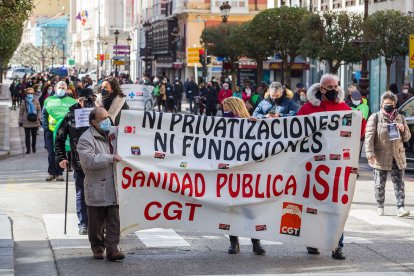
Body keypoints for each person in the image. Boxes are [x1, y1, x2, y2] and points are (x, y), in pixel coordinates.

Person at [297, 73, 360, 260]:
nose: (335, 90)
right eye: (330, 87)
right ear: (321, 88)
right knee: (311, 207)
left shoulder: (343, 107)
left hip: (335, 168)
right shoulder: (308, 108)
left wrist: (360, 120)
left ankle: (337, 246)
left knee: (336, 207)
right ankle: (312, 243)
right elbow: (293, 129)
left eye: (336, 86)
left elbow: (358, 128)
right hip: (312, 168)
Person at [77, 107, 125, 261]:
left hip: (114, 183)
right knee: (96, 222)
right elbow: (89, 161)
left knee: (113, 219)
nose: (107, 121)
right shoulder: (86, 138)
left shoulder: (114, 132)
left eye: (108, 117)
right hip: (96, 184)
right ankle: (97, 248)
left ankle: (112, 250)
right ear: (94, 122)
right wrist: (111, 157)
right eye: (103, 118)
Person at [221, 97, 266, 255]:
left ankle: (255, 241)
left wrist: (256, 122)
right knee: (233, 208)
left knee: (249, 208)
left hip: (247, 173)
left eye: (226, 108)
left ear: (233, 107)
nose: (224, 112)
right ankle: (235, 242)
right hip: (231, 172)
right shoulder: (224, 122)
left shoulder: (250, 122)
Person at [56, 88, 96, 235]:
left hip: (98, 161)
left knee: (99, 192)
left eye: (91, 99)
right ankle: (83, 223)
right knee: (81, 192)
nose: (88, 103)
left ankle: (98, 223)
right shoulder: (70, 116)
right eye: (86, 100)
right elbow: (59, 139)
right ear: (79, 100)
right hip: (78, 161)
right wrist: (62, 158)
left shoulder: (99, 114)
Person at [365, 91, 411, 217]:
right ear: (381, 104)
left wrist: (402, 129)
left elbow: (407, 138)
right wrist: (370, 154)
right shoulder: (375, 117)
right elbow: (369, 137)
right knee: (379, 184)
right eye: (386, 103)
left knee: (399, 183)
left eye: (391, 103)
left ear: (395, 104)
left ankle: (400, 207)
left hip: (397, 155)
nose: (388, 105)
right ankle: (380, 206)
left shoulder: (400, 117)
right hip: (381, 156)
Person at [42, 81, 77, 181]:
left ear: (66, 89)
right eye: (59, 87)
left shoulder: (71, 101)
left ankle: (59, 173)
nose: (61, 89)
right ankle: (51, 173)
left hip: (63, 132)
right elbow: (44, 115)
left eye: (63, 88)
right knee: (51, 153)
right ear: (55, 88)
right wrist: (45, 127)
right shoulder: (48, 100)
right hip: (50, 131)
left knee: (60, 152)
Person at [19, 87, 41, 154]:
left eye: (31, 93)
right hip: (26, 121)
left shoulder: (36, 101)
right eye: (29, 93)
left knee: (34, 136)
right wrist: (20, 121)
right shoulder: (24, 102)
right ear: (26, 94)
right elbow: (21, 112)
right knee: (27, 136)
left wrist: (39, 117)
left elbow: (39, 110)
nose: (30, 94)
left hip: (35, 121)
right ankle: (28, 149)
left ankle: (33, 146)